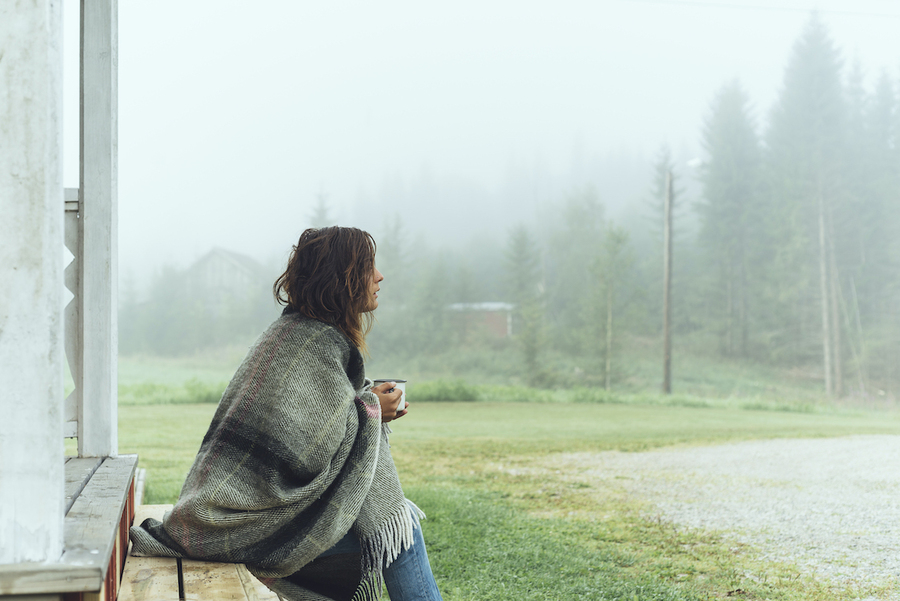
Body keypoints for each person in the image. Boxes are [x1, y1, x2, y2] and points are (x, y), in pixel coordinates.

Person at [130, 226, 443, 601]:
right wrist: (370, 409)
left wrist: (367, 408)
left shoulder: (300, 335)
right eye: (368, 267)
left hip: (234, 518)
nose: (379, 277)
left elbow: (315, 430)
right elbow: (311, 453)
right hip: (235, 527)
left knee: (392, 521)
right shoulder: (310, 343)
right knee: (400, 529)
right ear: (342, 279)